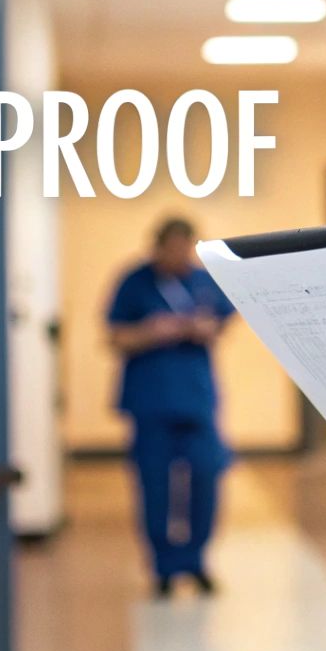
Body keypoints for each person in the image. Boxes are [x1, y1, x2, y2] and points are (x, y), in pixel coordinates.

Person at [107, 216, 236, 598]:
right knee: (155, 486)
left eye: (186, 249)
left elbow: (224, 321)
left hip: (196, 401)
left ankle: (194, 560)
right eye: (173, 249)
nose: (180, 257)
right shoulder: (134, 282)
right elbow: (116, 336)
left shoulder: (202, 281)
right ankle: (163, 566)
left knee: (206, 478)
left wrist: (206, 329)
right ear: (158, 247)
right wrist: (151, 331)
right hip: (151, 404)